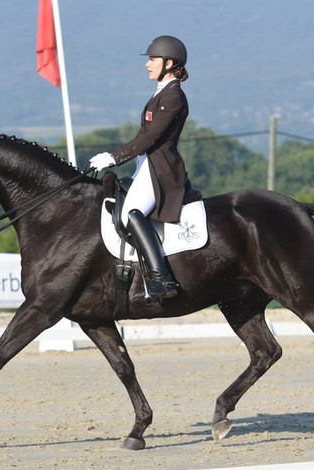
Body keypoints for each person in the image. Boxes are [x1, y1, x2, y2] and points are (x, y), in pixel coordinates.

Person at [89, 35, 190, 301]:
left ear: (170, 63)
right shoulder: (161, 93)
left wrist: (113, 158)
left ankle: (163, 279)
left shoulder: (174, 96)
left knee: (130, 214)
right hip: (145, 165)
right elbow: (142, 137)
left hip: (160, 169)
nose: (148, 64)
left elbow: (150, 139)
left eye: (153, 60)